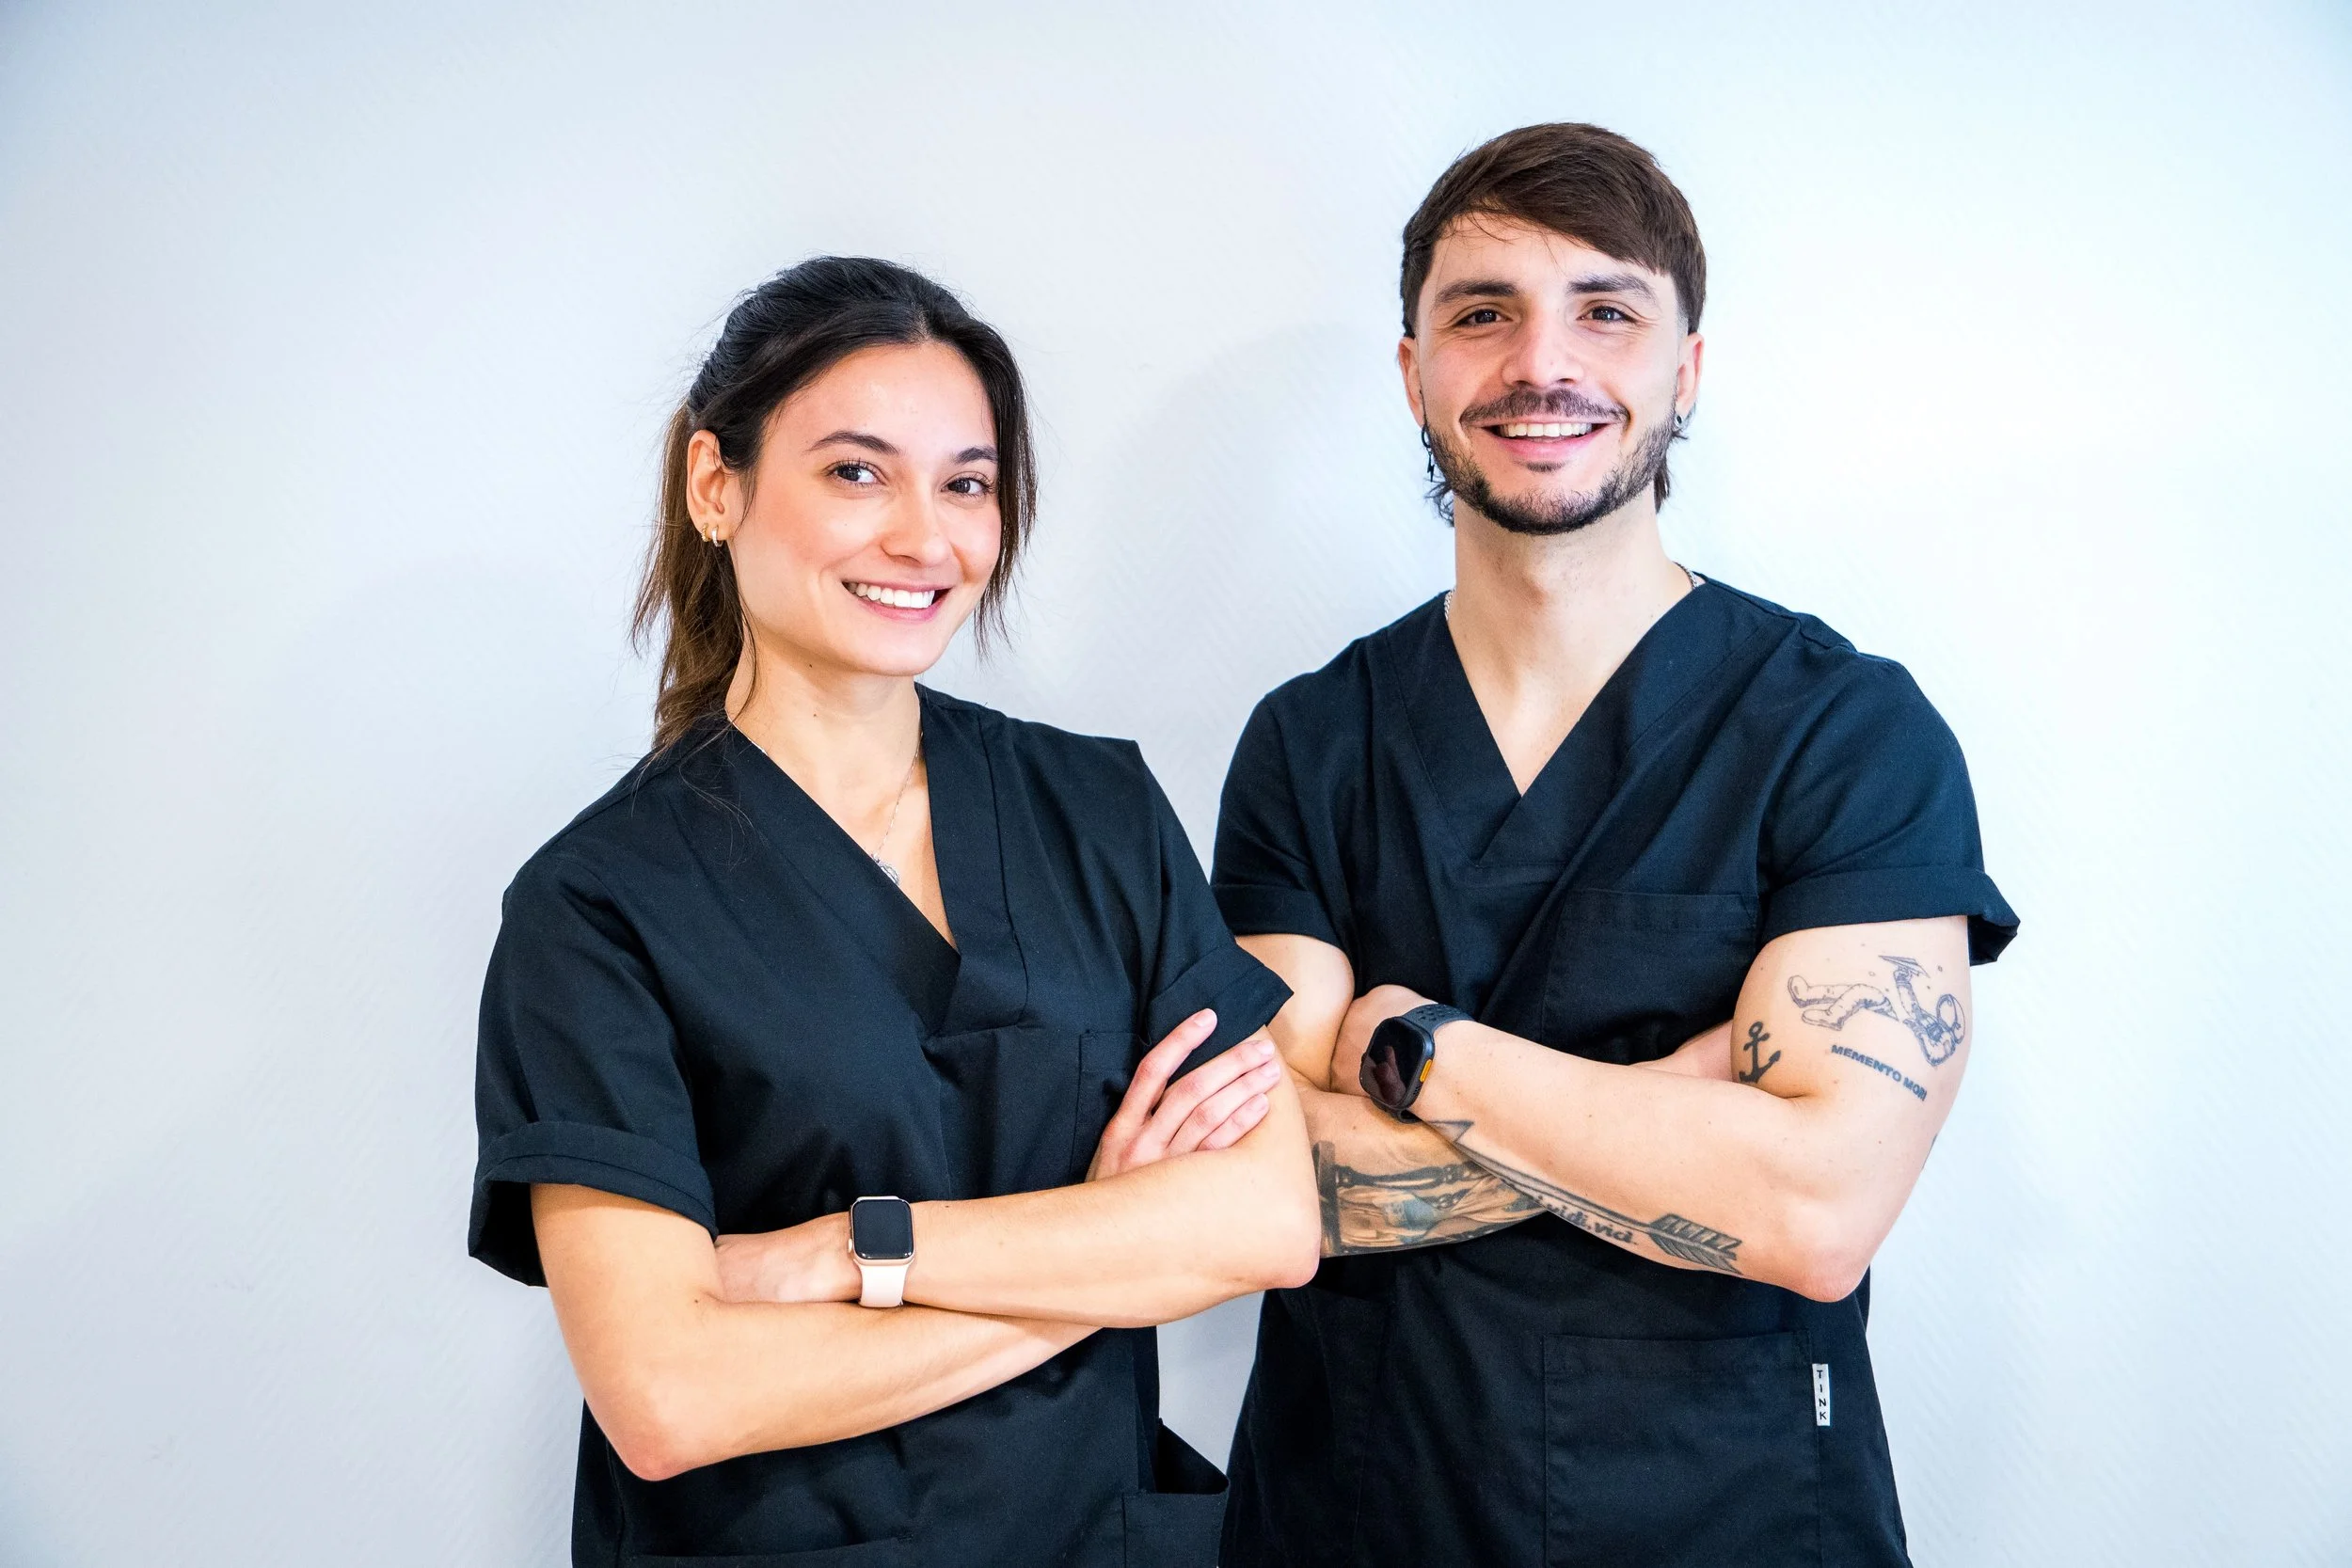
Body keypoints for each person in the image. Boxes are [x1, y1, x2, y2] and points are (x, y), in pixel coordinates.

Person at [1214, 124, 2019, 1567]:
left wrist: (1411, 1046)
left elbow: (1816, 1209)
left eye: (1606, 309)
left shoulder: (1842, 731)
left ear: (1685, 369)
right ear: (1413, 372)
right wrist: (1680, 1110)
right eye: (1482, 313)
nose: (1543, 361)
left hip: (1733, 1513)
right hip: (1359, 1511)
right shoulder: (1311, 740)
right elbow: (1255, 1183)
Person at [468, 257, 1320, 1568]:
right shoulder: (595, 908)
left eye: (966, 483)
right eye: (857, 471)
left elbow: (1267, 1221)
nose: (927, 539)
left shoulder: (1097, 809)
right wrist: (1098, 1256)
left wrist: (860, 1251)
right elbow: (669, 1395)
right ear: (717, 485)